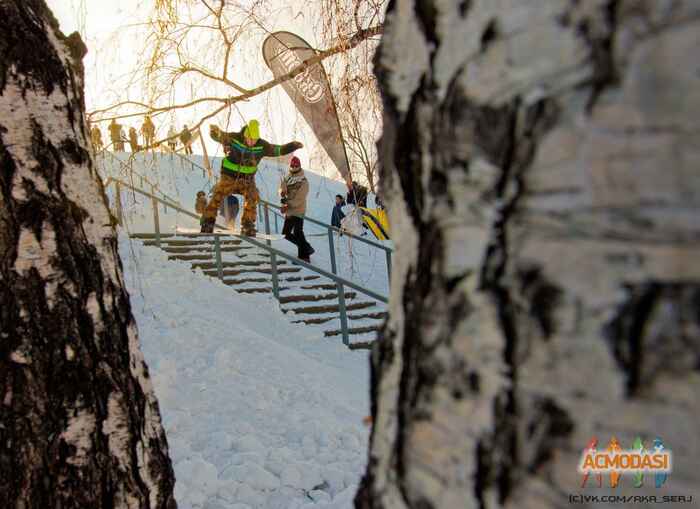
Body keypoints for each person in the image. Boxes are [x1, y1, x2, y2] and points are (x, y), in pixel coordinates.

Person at [200, 119, 302, 235]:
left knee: (253, 195)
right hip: (229, 176)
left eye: (254, 140)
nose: (251, 142)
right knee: (218, 193)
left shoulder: (262, 146)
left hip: (247, 179)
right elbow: (220, 136)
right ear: (245, 135)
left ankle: (247, 224)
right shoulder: (235, 138)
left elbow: (278, 150)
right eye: (249, 139)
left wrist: (292, 146)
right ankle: (208, 221)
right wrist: (215, 131)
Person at [281, 157, 314, 262]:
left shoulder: (303, 181)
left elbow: (300, 198)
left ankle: (304, 256)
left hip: (298, 209)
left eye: (296, 166)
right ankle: (306, 248)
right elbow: (282, 188)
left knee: (298, 232)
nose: (294, 167)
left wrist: (288, 204)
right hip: (289, 209)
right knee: (285, 233)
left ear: (299, 166)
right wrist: (282, 192)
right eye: (292, 165)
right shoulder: (287, 177)